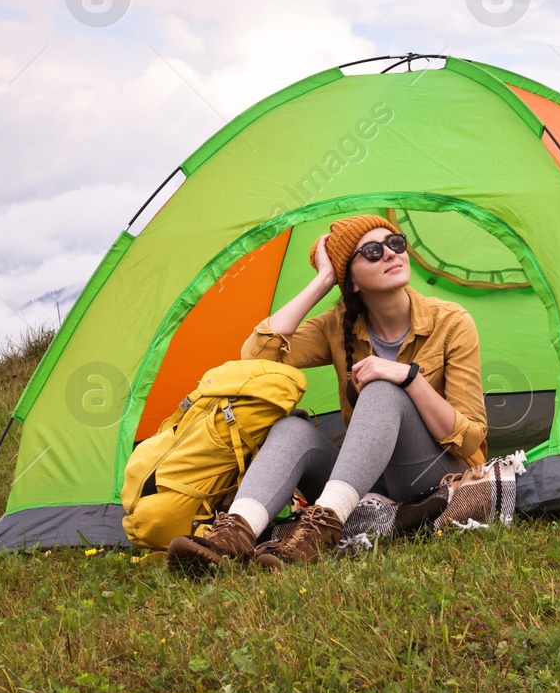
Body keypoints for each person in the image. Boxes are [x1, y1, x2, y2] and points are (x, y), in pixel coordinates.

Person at [167, 213, 488, 571]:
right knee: (291, 429)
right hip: (365, 479)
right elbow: (256, 356)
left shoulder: (452, 322)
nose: (390, 254)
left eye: (396, 243)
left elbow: (470, 440)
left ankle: (321, 530)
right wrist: (323, 281)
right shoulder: (336, 325)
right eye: (371, 251)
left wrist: (408, 378)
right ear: (350, 281)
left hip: (431, 472)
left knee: (383, 388)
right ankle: (232, 537)